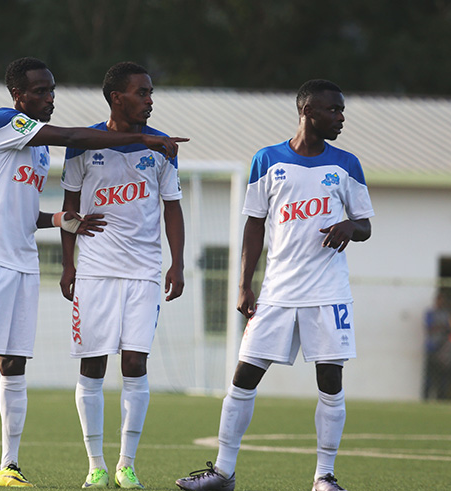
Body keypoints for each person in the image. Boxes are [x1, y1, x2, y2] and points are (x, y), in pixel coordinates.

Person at [0, 56, 184, 488]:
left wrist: (60, 220)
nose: (49, 97)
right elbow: (74, 134)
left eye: (52, 90)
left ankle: (8, 465)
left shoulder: (37, 150)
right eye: (40, 91)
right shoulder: (3, 121)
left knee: (14, 363)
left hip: (23, 260)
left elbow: (24, 211)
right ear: (18, 96)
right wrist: (142, 138)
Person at [175, 79, 374, 491]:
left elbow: (366, 226)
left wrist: (349, 225)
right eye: (333, 110)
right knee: (244, 377)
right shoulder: (267, 160)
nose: (340, 118)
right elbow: (254, 224)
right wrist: (245, 284)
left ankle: (324, 477)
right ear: (308, 112)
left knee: (330, 383)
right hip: (278, 291)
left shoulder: (347, 164)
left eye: (341, 110)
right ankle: (223, 473)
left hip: (327, 292)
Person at [59, 61, 186, 489]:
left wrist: (178, 263)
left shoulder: (161, 148)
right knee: (93, 365)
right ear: (118, 97)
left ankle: (126, 463)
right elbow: (69, 209)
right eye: (142, 92)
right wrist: (68, 263)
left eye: (151, 93)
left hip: (144, 273)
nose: (150, 100)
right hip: (94, 272)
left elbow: (172, 206)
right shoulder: (81, 146)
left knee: (134, 363)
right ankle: (95, 464)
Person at [423, 293, 451, 400]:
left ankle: (441, 398)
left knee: (444, 377)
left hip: (444, 350)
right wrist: (443, 326)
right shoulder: (430, 313)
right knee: (430, 376)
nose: (440, 302)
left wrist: (443, 327)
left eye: (442, 300)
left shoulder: (449, 314)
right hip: (432, 348)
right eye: (438, 300)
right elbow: (429, 327)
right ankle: (426, 398)